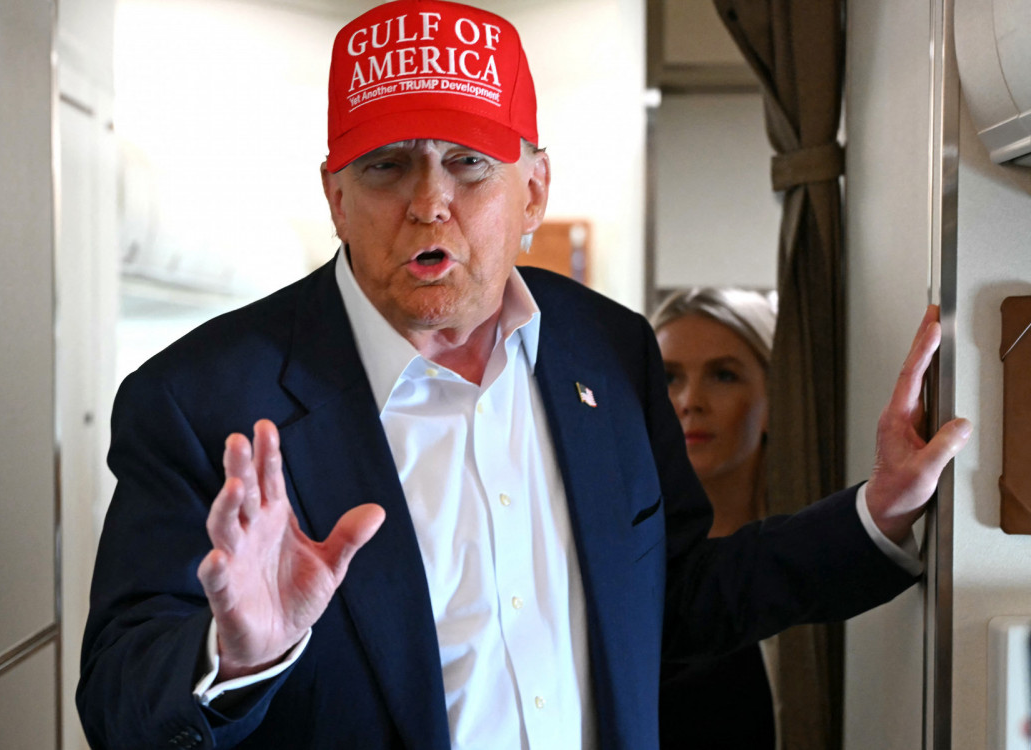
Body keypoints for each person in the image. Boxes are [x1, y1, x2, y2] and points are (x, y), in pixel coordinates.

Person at [75, 2, 972, 748]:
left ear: (534, 190)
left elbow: (672, 600)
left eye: (468, 163)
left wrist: (878, 513)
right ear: (336, 198)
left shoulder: (608, 350)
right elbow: (118, 699)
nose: (429, 202)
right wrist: (234, 660)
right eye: (387, 167)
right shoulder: (198, 402)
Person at [651, 288, 780, 748]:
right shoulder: (622, 564)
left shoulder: (804, 558)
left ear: (772, 398)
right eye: (668, 378)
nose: (690, 401)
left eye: (723, 376)